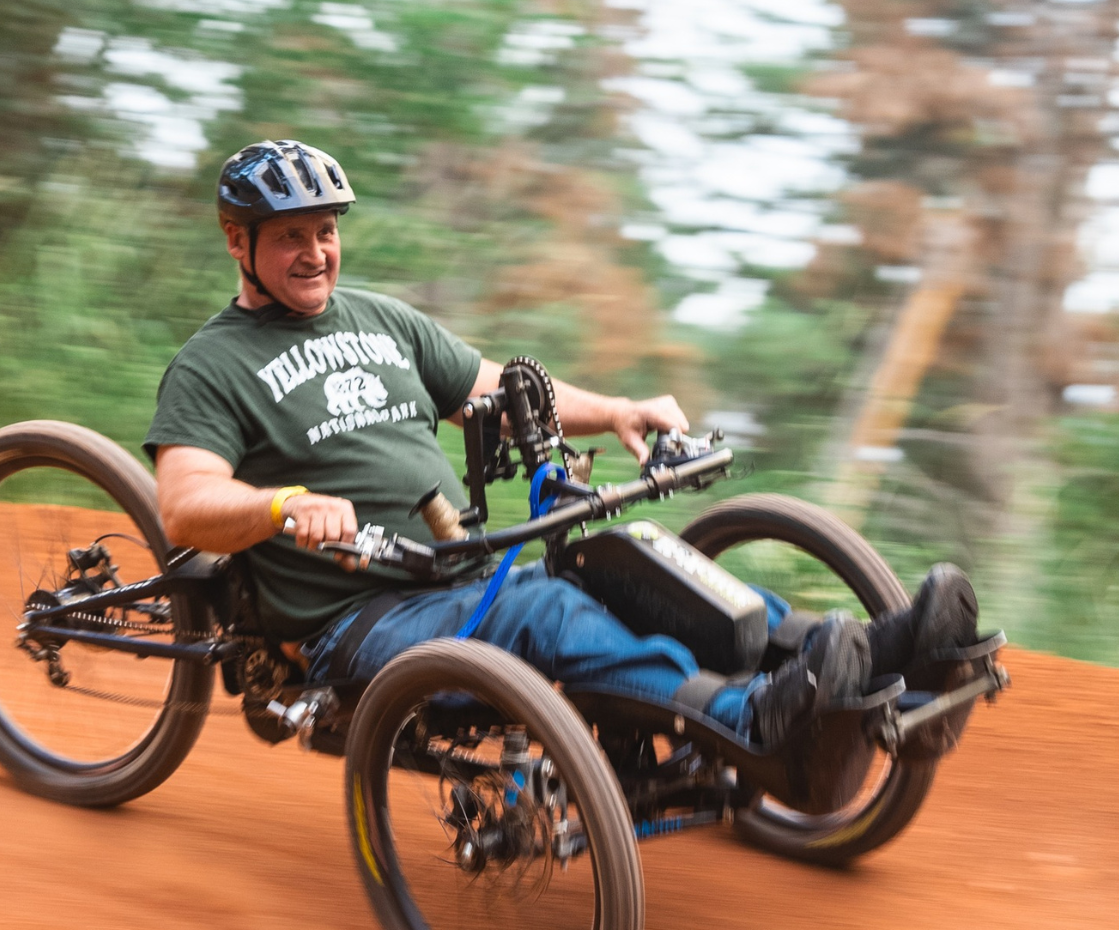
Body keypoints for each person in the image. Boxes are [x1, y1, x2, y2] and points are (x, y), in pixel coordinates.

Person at [145, 139, 979, 754]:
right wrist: (283, 505)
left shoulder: (379, 317)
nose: (316, 252)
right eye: (291, 236)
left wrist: (616, 410)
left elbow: (502, 391)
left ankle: (877, 654)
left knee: (626, 563)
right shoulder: (212, 364)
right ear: (237, 241)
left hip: (456, 572)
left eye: (325, 231)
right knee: (544, 613)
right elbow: (184, 506)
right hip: (352, 621)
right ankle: (747, 719)